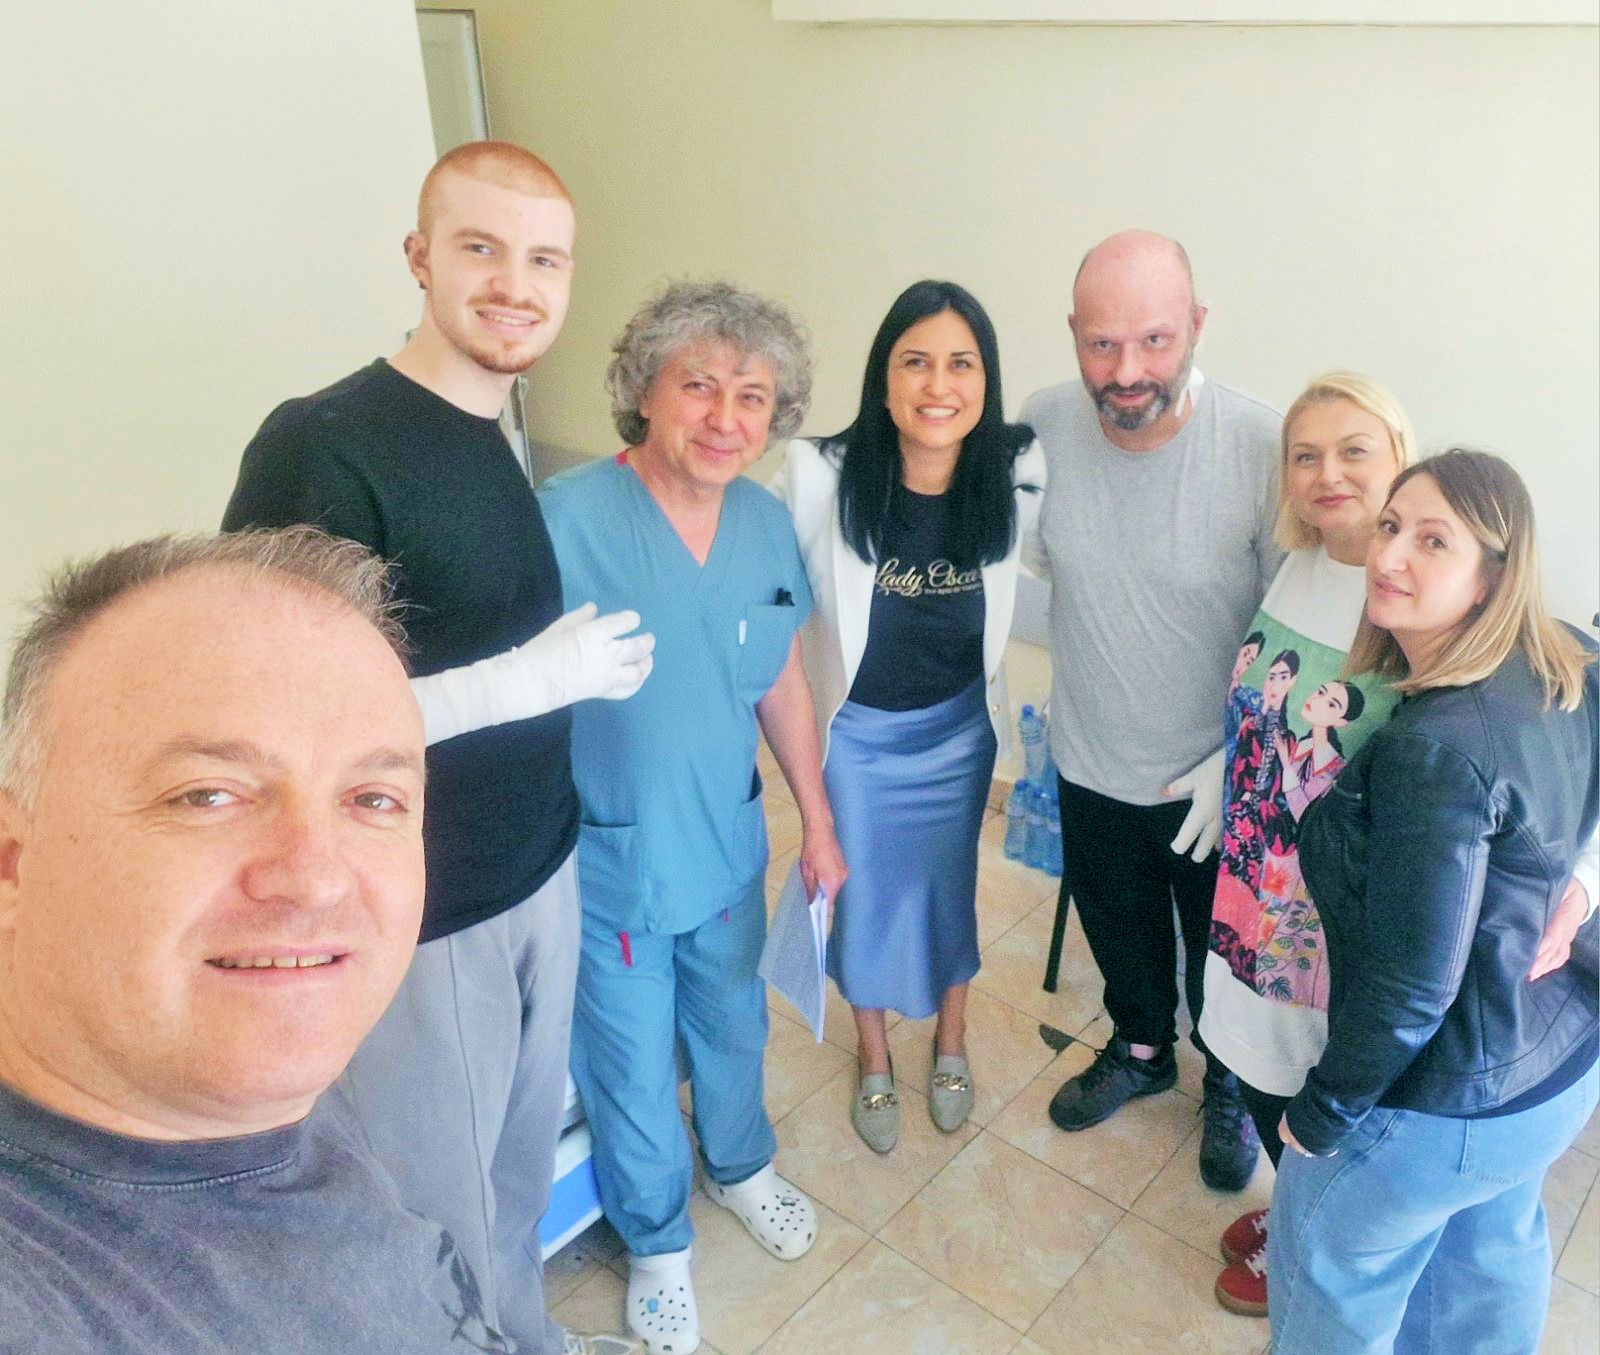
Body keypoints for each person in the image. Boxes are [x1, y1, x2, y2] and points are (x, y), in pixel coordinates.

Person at [222, 142, 649, 1355]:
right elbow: (284, 719)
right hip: (429, 913)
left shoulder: (487, 424)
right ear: (419, 256)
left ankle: (527, 1335)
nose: (514, 285)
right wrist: (531, 680)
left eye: (544, 260)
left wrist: (548, 687)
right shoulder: (324, 444)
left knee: (514, 1177)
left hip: (538, 869)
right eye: (480, 248)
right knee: (440, 1214)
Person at [0, 529, 518, 1352]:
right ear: (12, 860)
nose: (316, 879)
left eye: (373, 798)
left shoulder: (255, 1076)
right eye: (208, 794)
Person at [539, 280, 847, 1355]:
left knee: (731, 1019)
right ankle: (657, 1241)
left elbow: (781, 679)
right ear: (644, 392)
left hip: (725, 840)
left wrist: (817, 821)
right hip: (610, 855)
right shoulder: (565, 518)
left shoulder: (761, 524)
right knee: (625, 1057)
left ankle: (741, 1164)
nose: (726, 417)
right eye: (700, 386)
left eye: (752, 396)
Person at [1269, 449, 1599, 1354]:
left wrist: (1321, 1112)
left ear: (1492, 576)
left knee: (1331, 1293)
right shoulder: (1562, 654)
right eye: (1390, 526)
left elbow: (1412, 987)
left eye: (1433, 540)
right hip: (1552, 1072)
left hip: (1445, 1102)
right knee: (1484, 1275)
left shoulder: (1437, 749)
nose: (1389, 556)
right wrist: (1582, 878)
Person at [1023, 230, 1282, 1192]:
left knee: (1221, 961)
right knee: (1119, 931)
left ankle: (1227, 1080)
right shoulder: (1042, 425)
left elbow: (1296, 630)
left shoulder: (1260, 445)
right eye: (1102, 344)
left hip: (1216, 778)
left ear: (1197, 326)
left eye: (1154, 341)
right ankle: (1139, 1050)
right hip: (1091, 756)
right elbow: (1038, 564)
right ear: (1074, 335)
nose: (1126, 371)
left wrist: (1240, 751)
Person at [775, 279, 1044, 1152]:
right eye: (915, 362)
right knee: (859, 898)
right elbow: (769, 598)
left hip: (960, 734)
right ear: (883, 380)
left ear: (986, 380)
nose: (938, 385)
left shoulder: (1016, 470)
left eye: (961, 364)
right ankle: (875, 1053)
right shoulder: (819, 475)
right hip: (858, 738)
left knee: (947, 891)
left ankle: (951, 1040)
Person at [1197, 373, 1413, 1315]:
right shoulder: (1303, 563)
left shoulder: (1411, 588)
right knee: (1252, 1063)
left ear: (1400, 457)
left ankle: (1306, 1248)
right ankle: (1294, 1211)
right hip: (1252, 878)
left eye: (1354, 450)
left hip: (1329, 915)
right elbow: (1270, 704)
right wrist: (1223, 769)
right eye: (1306, 455)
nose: (1329, 474)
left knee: (1315, 1096)